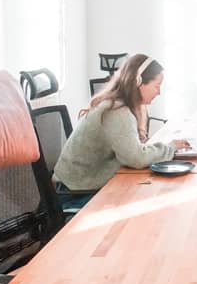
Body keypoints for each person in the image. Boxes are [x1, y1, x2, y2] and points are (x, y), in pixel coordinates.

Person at [54, 53, 188, 192]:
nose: (159, 92)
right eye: (157, 85)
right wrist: (170, 147)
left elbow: (132, 152)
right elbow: (136, 158)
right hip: (75, 193)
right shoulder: (117, 111)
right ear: (138, 82)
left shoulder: (117, 104)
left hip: (76, 185)